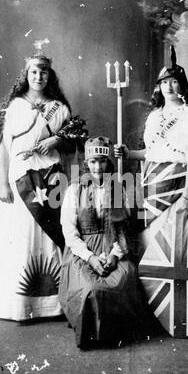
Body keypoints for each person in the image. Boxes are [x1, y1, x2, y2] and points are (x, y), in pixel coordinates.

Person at [114, 46, 188, 337]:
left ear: (182, 85)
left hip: (182, 188)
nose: (169, 86)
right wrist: (129, 152)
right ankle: (157, 312)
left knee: (183, 248)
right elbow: (151, 153)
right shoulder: (154, 117)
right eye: (164, 82)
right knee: (156, 249)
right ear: (159, 87)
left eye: (174, 81)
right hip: (154, 189)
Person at [0, 53, 75, 321]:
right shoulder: (13, 106)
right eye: (34, 72)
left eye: (44, 72)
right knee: (20, 238)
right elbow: (2, 147)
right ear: (26, 75)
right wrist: (2, 182)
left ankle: (53, 304)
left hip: (49, 178)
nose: (39, 77)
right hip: (19, 178)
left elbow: (71, 146)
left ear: (50, 76)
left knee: (49, 236)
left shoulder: (59, 108)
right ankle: (18, 305)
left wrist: (57, 141)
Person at [59, 137, 150, 349]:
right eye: (92, 162)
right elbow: (69, 231)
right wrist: (90, 257)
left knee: (123, 278)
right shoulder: (75, 190)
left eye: (101, 161)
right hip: (83, 251)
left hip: (114, 247)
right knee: (91, 287)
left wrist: (114, 255)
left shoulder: (117, 189)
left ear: (107, 162)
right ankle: (92, 334)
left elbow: (123, 230)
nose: (97, 167)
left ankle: (116, 333)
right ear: (86, 164)